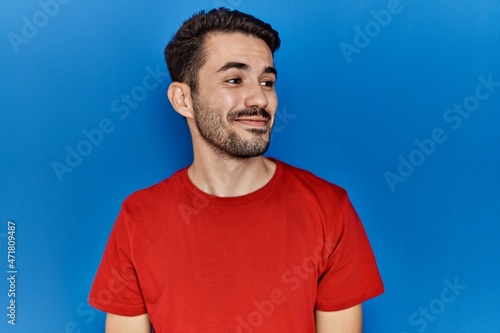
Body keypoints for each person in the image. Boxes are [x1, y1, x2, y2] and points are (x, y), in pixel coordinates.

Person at [89, 7, 384, 333]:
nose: (259, 97)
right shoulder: (138, 218)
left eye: (267, 81)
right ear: (183, 100)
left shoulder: (329, 209)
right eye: (234, 79)